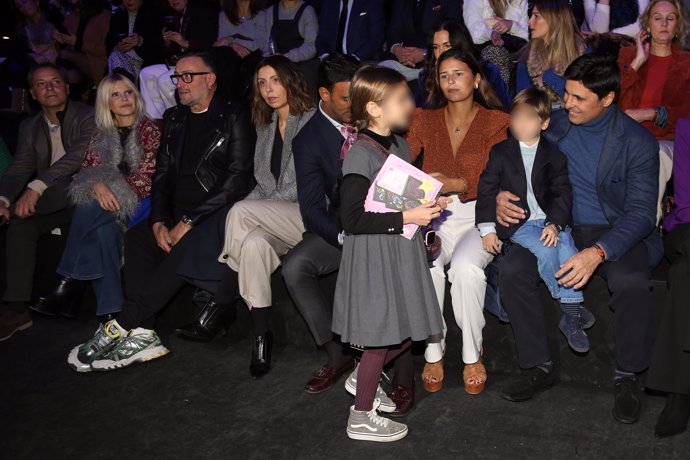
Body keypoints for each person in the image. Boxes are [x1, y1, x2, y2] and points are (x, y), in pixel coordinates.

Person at [496, 54, 661, 426]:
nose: (565, 103)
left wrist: (598, 252)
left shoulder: (637, 142)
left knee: (631, 280)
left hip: (614, 230)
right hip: (557, 224)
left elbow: (640, 214)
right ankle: (538, 365)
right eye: (565, 94)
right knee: (513, 268)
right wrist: (500, 196)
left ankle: (629, 376)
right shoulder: (551, 125)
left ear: (607, 99)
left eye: (577, 98)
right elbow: (510, 161)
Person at [66, 52, 255, 372]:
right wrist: (157, 220)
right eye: (177, 77)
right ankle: (144, 332)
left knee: (185, 244)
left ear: (210, 80)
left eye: (187, 76)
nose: (179, 83)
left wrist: (188, 221)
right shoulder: (174, 117)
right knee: (138, 240)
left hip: (216, 211)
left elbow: (237, 180)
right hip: (177, 210)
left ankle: (123, 322)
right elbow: (162, 176)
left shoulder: (235, 114)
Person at [334, 65, 448, 442]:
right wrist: (409, 215)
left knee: (411, 329)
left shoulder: (399, 145)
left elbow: (397, 198)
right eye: (401, 99)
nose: (411, 105)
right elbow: (352, 219)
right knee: (382, 336)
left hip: (398, 251)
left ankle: (362, 375)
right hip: (373, 257)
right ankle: (361, 417)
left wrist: (427, 208)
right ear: (373, 109)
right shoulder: (360, 155)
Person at [406, 48, 509, 395]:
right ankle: (434, 352)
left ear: (477, 78)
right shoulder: (423, 118)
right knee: (429, 265)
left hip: (479, 215)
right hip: (433, 214)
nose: (451, 81)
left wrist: (458, 183)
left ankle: (471, 353)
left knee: (465, 268)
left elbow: (500, 174)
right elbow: (402, 163)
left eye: (459, 74)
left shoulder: (496, 121)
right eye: (444, 75)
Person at [30, 73, 159, 321]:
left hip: (141, 205)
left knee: (89, 202)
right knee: (102, 233)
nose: (124, 99)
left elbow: (147, 179)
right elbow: (87, 170)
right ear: (106, 102)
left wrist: (108, 187)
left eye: (128, 92)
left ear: (136, 95)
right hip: (105, 210)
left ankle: (66, 280)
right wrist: (98, 184)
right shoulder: (101, 133)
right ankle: (111, 312)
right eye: (115, 94)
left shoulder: (150, 129)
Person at [217, 55, 315, 379]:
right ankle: (261, 335)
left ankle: (221, 297)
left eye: (275, 80)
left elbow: (299, 186)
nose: (269, 89)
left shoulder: (313, 120)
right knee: (254, 244)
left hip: (308, 214)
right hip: (276, 215)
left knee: (241, 211)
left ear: (291, 80)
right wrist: (250, 211)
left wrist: (248, 210)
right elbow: (263, 183)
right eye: (262, 82)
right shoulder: (266, 124)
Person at [476, 88, 594, 354]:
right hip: (520, 224)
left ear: (544, 123)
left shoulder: (554, 154)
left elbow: (563, 193)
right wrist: (487, 229)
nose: (520, 124)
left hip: (548, 220)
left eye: (529, 118)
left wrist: (555, 224)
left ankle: (570, 313)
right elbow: (486, 190)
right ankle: (570, 307)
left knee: (567, 248)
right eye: (516, 117)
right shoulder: (500, 152)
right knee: (545, 250)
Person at [0, 63, 95, 342]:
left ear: (67, 88)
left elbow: (78, 157)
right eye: (41, 84)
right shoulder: (29, 126)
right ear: (32, 93)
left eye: (55, 82)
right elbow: (18, 168)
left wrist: (36, 187)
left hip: (86, 197)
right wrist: (3, 198)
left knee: (59, 186)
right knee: (20, 228)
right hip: (54, 206)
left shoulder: (88, 115)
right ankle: (17, 309)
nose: (49, 88)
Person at [282, 53, 359, 393]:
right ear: (324, 94)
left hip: (396, 219)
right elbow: (312, 209)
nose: (356, 105)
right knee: (295, 265)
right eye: (346, 98)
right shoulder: (308, 139)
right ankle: (336, 354)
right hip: (347, 228)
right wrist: (344, 237)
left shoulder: (374, 111)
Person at [617, 0, 690, 221]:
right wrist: (638, 62)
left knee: (654, 154)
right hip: (627, 138)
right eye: (657, 18)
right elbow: (611, 102)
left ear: (678, 25)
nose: (664, 23)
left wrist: (652, 114)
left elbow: (686, 112)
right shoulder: (627, 57)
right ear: (647, 25)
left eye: (671, 18)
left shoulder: (687, 62)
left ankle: (646, 221)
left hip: (668, 140)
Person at [647, 118, 690, 438]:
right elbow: (686, 200)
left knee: (683, 273)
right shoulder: (687, 128)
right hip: (688, 226)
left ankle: (680, 391)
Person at [139, 0, 218, 120]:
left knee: (165, 80)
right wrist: (167, 42)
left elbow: (210, 42)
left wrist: (186, 43)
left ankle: (178, 120)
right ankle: (156, 120)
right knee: (146, 73)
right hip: (176, 63)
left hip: (198, 63)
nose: (174, 1)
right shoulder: (170, 16)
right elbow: (166, 51)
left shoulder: (202, 12)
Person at [416, 19, 511, 109]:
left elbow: (504, 108)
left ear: (460, 45)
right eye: (436, 47)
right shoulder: (426, 76)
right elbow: (418, 115)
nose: (441, 52)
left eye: (447, 46)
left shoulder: (488, 72)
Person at [515, 0, 588, 109]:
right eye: (531, 16)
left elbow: (585, 99)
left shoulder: (582, 53)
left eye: (536, 16)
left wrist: (548, 77)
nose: (529, 22)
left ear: (554, 20)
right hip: (543, 119)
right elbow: (524, 103)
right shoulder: (527, 56)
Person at [381, 0, 462, 81]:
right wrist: (397, 49)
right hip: (402, 60)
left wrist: (426, 53)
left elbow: (454, 34)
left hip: (435, 62)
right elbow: (394, 29)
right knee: (378, 77)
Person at [463, 0, 529, 85]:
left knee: (533, 53)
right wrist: (491, 33)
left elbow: (527, 35)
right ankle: (499, 96)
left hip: (516, 50)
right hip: (484, 49)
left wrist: (511, 25)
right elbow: (472, 32)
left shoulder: (520, 2)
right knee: (496, 52)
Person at [53, 0, 111, 87]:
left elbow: (105, 49)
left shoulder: (105, 16)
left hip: (98, 62)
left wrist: (78, 43)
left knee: (64, 55)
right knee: (66, 72)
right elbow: (67, 37)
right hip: (77, 62)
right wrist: (62, 41)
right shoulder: (74, 14)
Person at [105, 0, 165, 81]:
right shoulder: (118, 16)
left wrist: (140, 41)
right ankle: (126, 86)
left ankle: (124, 87)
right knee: (115, 55)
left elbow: (160, 44)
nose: (128, 1)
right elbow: (109, 41)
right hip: (122, 58)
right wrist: (118, 46)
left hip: (144, 59)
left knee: (115, 58)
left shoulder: (153, 14)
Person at [315, 0, 386, 62]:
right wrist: (325, 57)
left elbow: (376, 37)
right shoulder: (329, 3)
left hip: (362, 61)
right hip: (332, 61)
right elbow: (322, 36)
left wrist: (354, 59)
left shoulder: (371, 2)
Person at [582, 0, 649, 38]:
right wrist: (604, 1)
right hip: (595, 50)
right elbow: (599, 29)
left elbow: (641, 25)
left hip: (628, 45)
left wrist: (606, 36)